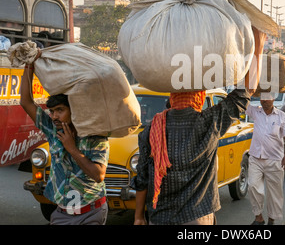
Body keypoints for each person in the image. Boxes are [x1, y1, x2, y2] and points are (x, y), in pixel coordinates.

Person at [132, 27, 266, 225]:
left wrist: (138, 217)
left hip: (160, 217)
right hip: (197, 217)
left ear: (172, 96)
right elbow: (247, 91)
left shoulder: (153, 128)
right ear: (199, 97)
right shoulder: (208, 122)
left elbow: (142, 178)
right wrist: (258, 46)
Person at [19, 49, 110, 225]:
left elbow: (98, 175)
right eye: (52, 111)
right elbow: (26, 101)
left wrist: (72, 149)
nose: (54, 116)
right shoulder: (52, 129)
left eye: (60, 110)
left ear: (74, 109)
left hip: (91, 213)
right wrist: (29, 64)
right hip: (62, 213)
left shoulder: (95, 135)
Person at [246, 92, 285, 225]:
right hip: (256, 158)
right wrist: (248, 90)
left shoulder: (282, 117)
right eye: (262, 99)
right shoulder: (256, 112)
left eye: (267, 99)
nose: (264, 101)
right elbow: (243, 103)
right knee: (253, 186)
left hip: (274, 160)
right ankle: (258, 217)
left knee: (275, 193)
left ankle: (272, 220)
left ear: (273, 99)